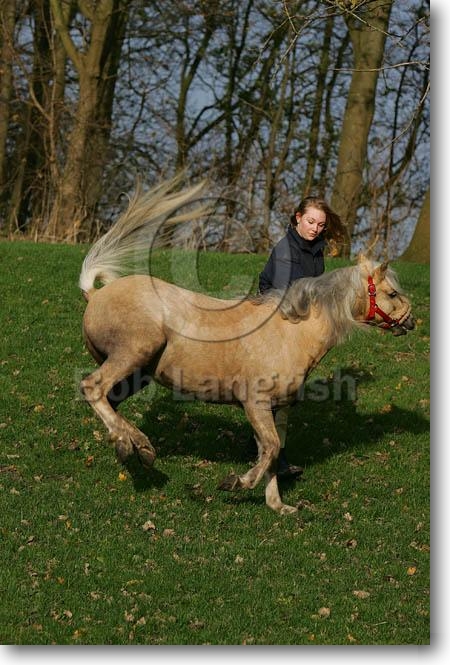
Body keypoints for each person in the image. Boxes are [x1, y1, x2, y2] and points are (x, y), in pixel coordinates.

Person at [258, 195, 346, 479]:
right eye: (310, 221)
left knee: (285, 397)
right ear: (298, 218)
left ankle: (268, 448)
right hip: (277, 321)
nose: (315, 228)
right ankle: (276, 458)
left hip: (299, 324)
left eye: (320, 224)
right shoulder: (286, 250)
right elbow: (286, 298)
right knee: (279, 394)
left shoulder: (316, 249)